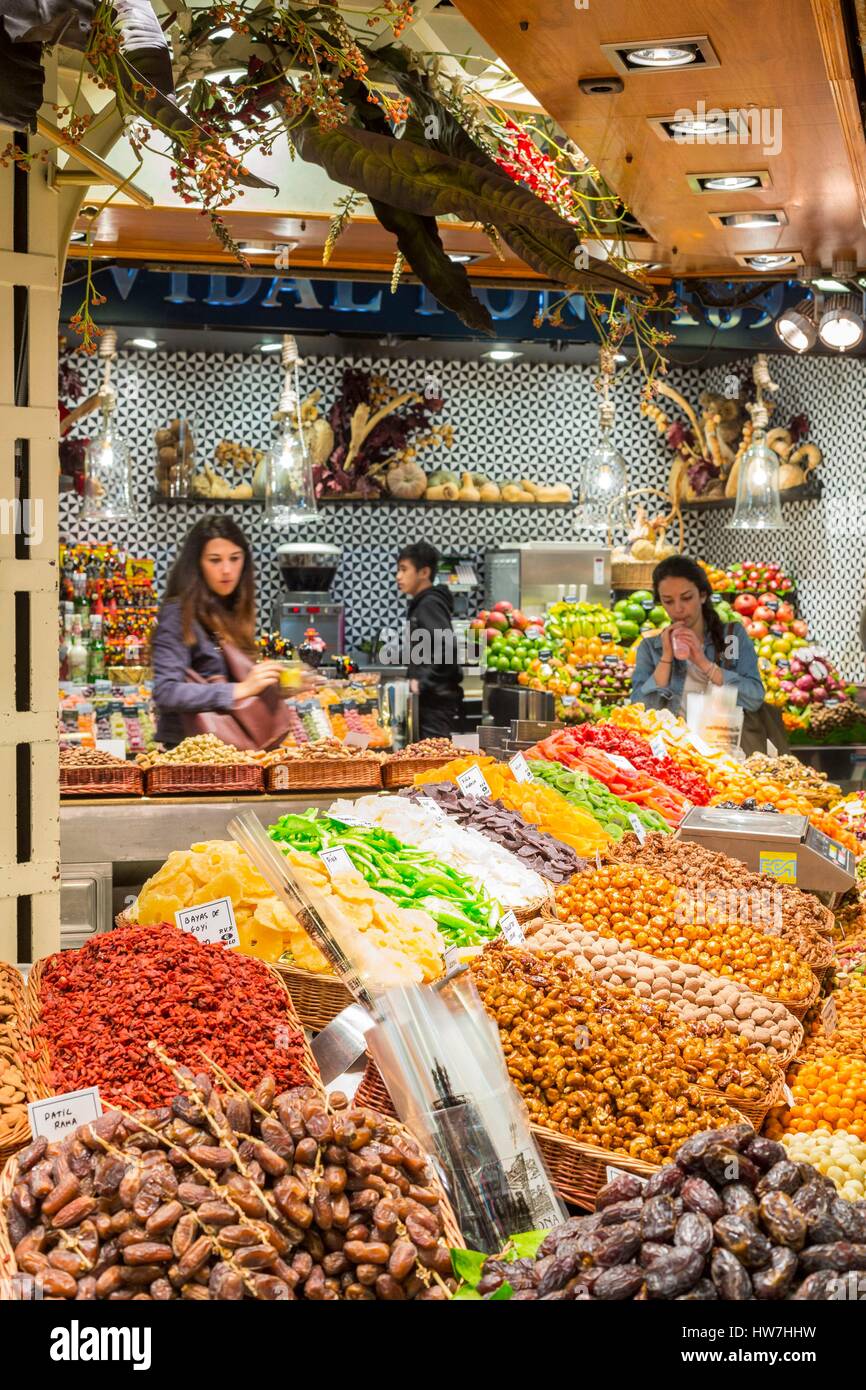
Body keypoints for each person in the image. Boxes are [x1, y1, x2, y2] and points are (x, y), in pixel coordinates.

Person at [152, 514, 288, 748]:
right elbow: (166, 691)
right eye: (215, 560)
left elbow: (234, 678)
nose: (227, 570)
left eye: (235, 558)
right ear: (196, 564)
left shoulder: (231, 609)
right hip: (190, 756)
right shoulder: (178, 613)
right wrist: (239, 689)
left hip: (226, 752)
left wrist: (278, 684)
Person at [631, 555, 765, 717]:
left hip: (721, 739)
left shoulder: (732, 638)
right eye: (668, 601)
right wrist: (666, 658)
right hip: (674, 741)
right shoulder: (651, 648)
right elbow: (640, 711)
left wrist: (703, 663)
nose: (678, 609)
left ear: (702, 595)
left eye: (686, 598)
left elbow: (754, 698)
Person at [396, 541, 462, 739]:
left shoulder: (429, 603)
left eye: (404, 569)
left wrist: (422, 682)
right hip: (431, 701)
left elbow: (446, 647)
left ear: (424, 572)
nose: (398, 576)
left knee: (434, 760)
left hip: (435, 703)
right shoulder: (425, 602)